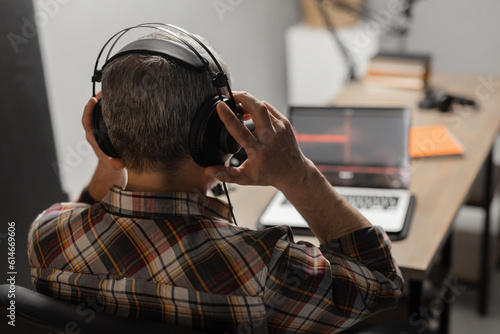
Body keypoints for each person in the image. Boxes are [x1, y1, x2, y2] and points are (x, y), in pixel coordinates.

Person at [28, 27, 403, 334]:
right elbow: (383, 283)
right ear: (216, 137)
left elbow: (84, 216)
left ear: (102, 133)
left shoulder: (45, 236)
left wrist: (111, 161)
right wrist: (298, 174)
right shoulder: (265, 269)